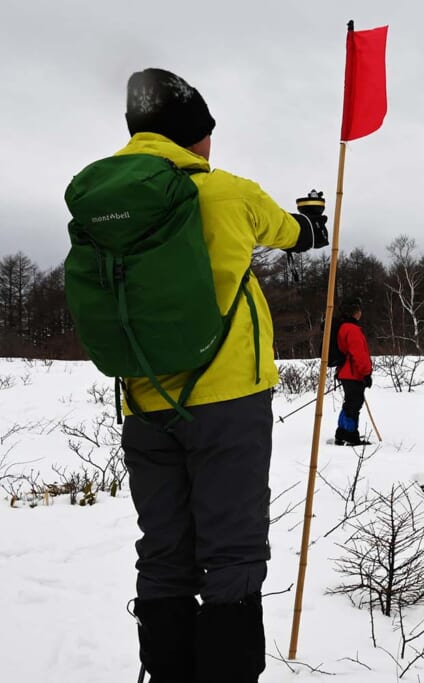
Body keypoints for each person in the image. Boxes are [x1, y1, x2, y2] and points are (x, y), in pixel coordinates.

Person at [114, 69, 325, 683]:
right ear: (194, 138)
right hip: (227, 399)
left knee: (163, 552)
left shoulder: (108, 200)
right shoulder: (229, 193)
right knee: (231, 555)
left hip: (142, 401)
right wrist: (310, 218)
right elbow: (297, 235)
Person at [333, 296, 373, 446]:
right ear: (355, 312)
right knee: (354, 404)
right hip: (353, 373)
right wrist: (366, 373)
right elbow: (359, 354)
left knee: (350, 403)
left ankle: (342, 433)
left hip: (346, 372)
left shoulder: (344, 327)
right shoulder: (351, 329)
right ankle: (350, 434)